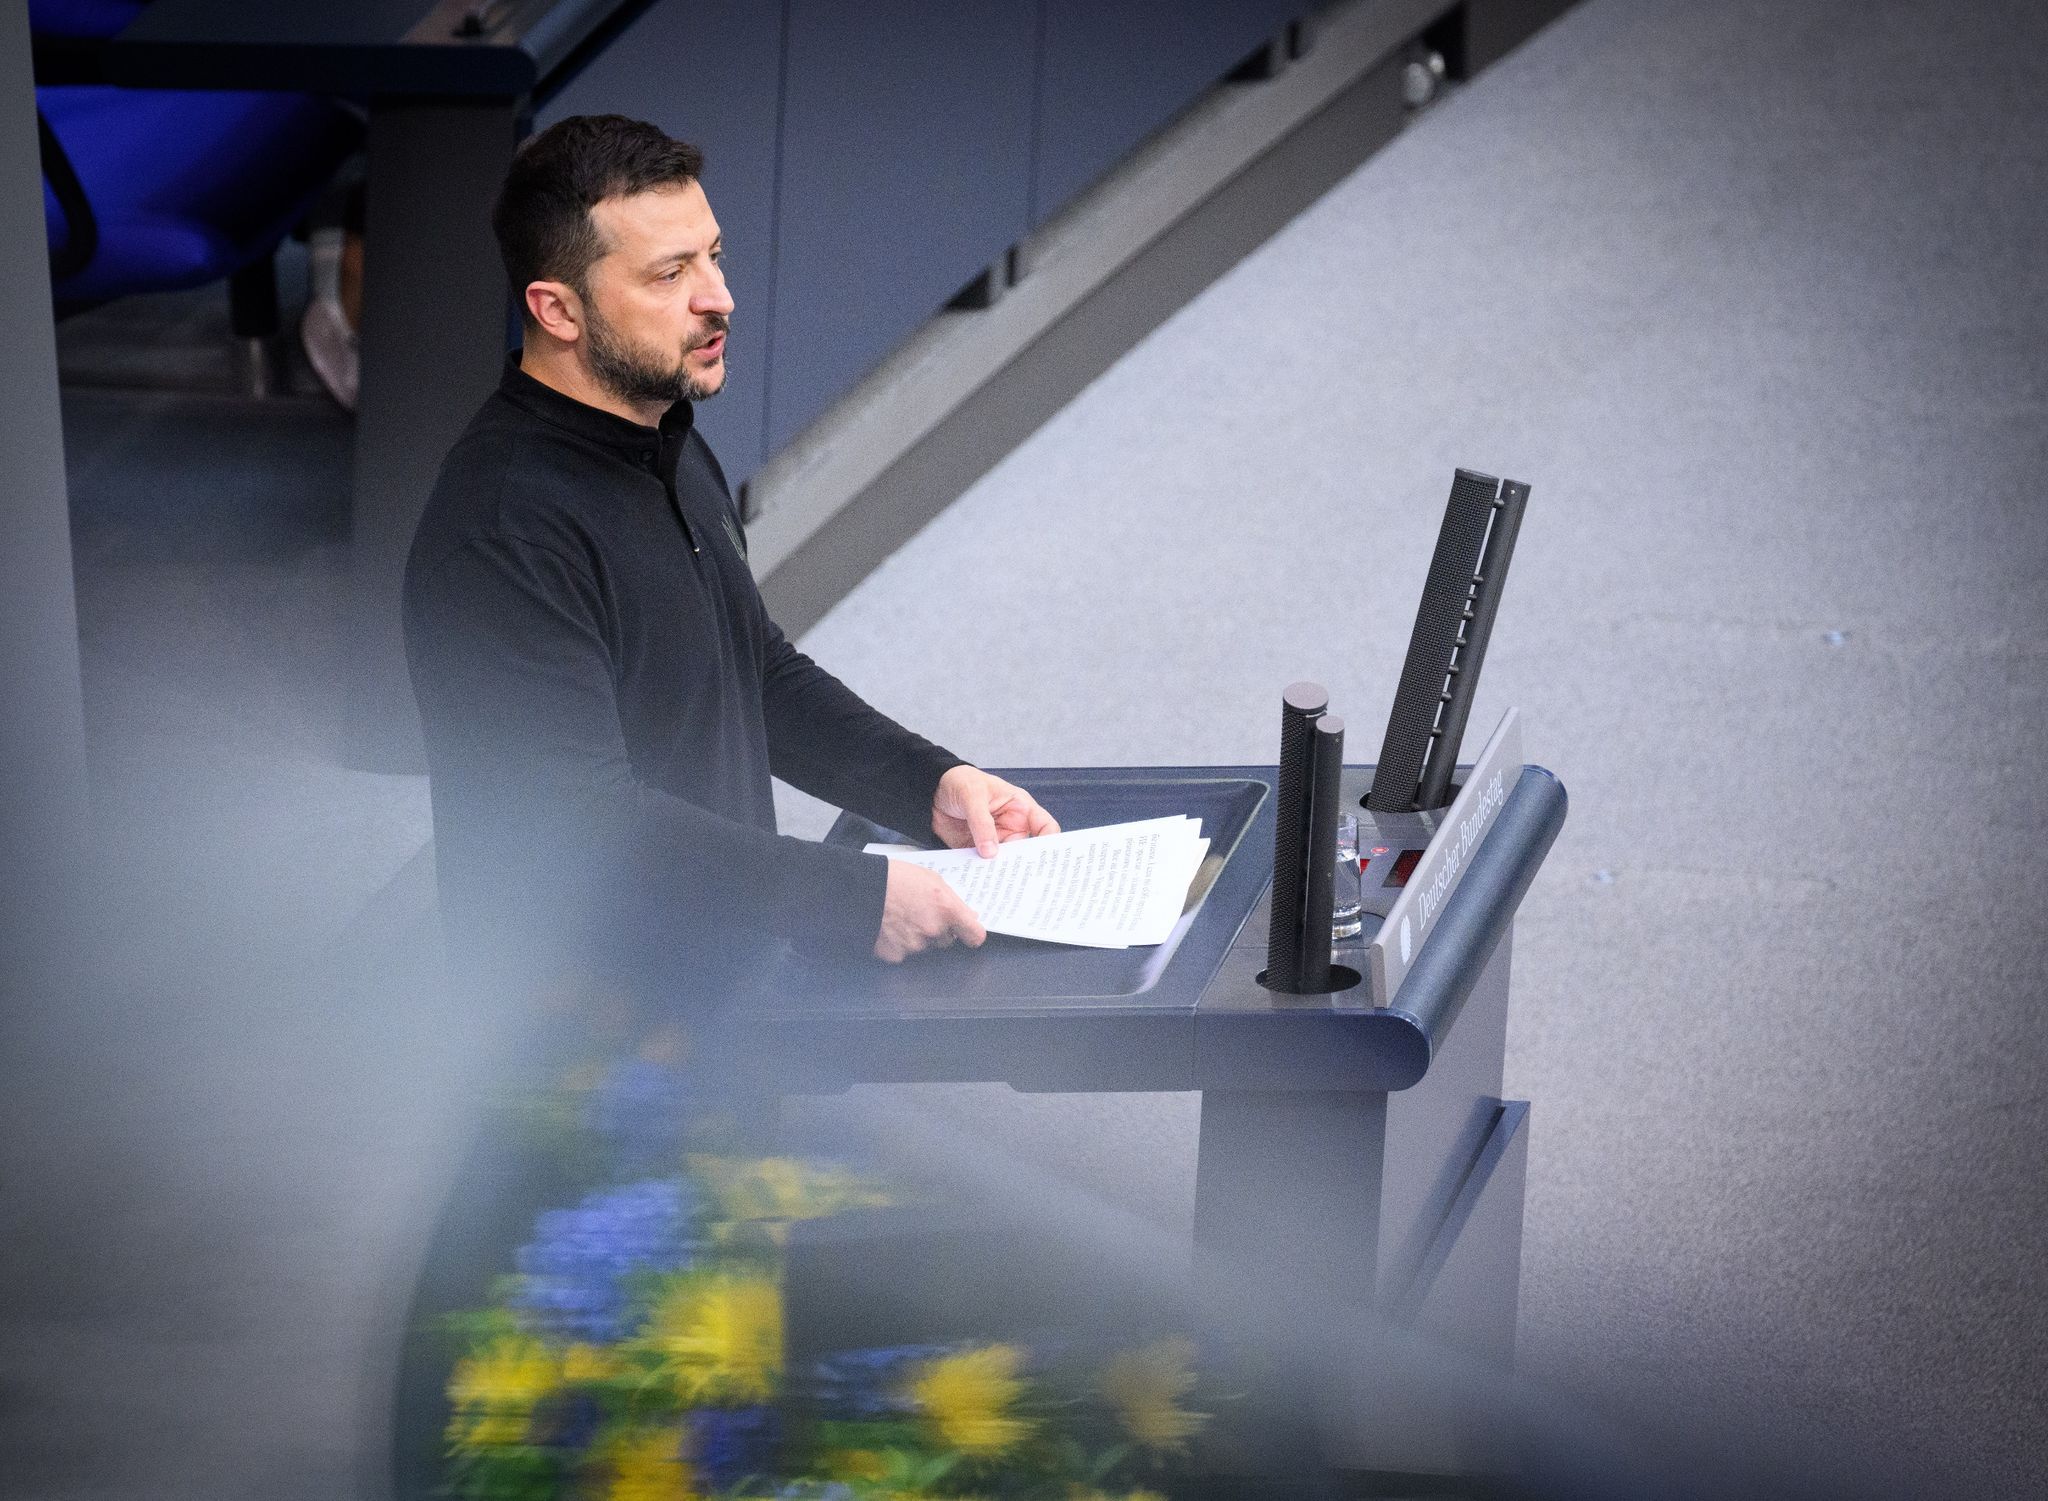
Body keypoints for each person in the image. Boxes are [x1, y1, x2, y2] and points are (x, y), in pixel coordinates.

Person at [402, 114, 1058, 1027]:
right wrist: (850, 897)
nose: (719, 297)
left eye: (713, 256)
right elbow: (581, 824)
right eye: (670, 275)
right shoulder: (505, 535)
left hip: (721, 985)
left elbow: (753, 672)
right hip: (583, 1051)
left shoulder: (661, 435)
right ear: (557, 310)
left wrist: (928, 785)